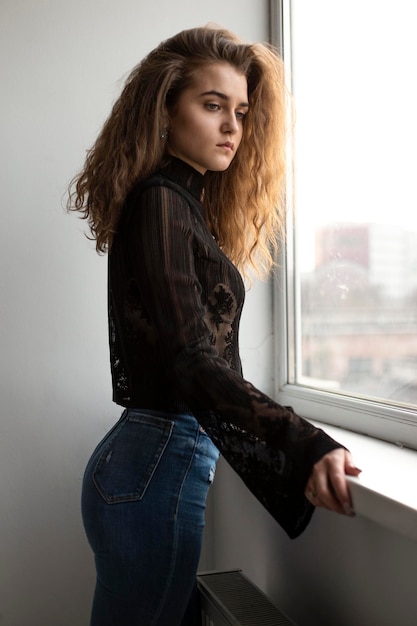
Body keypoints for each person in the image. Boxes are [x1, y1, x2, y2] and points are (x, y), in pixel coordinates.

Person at [68, 26, 361, 626]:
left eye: (242, 111)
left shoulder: (180, 203)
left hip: (148, 463)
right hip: (155, 462)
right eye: (212, 105)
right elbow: (190, 358)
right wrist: (303, 442)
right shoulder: (161, 202)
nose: (233, 126)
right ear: (165, 112)